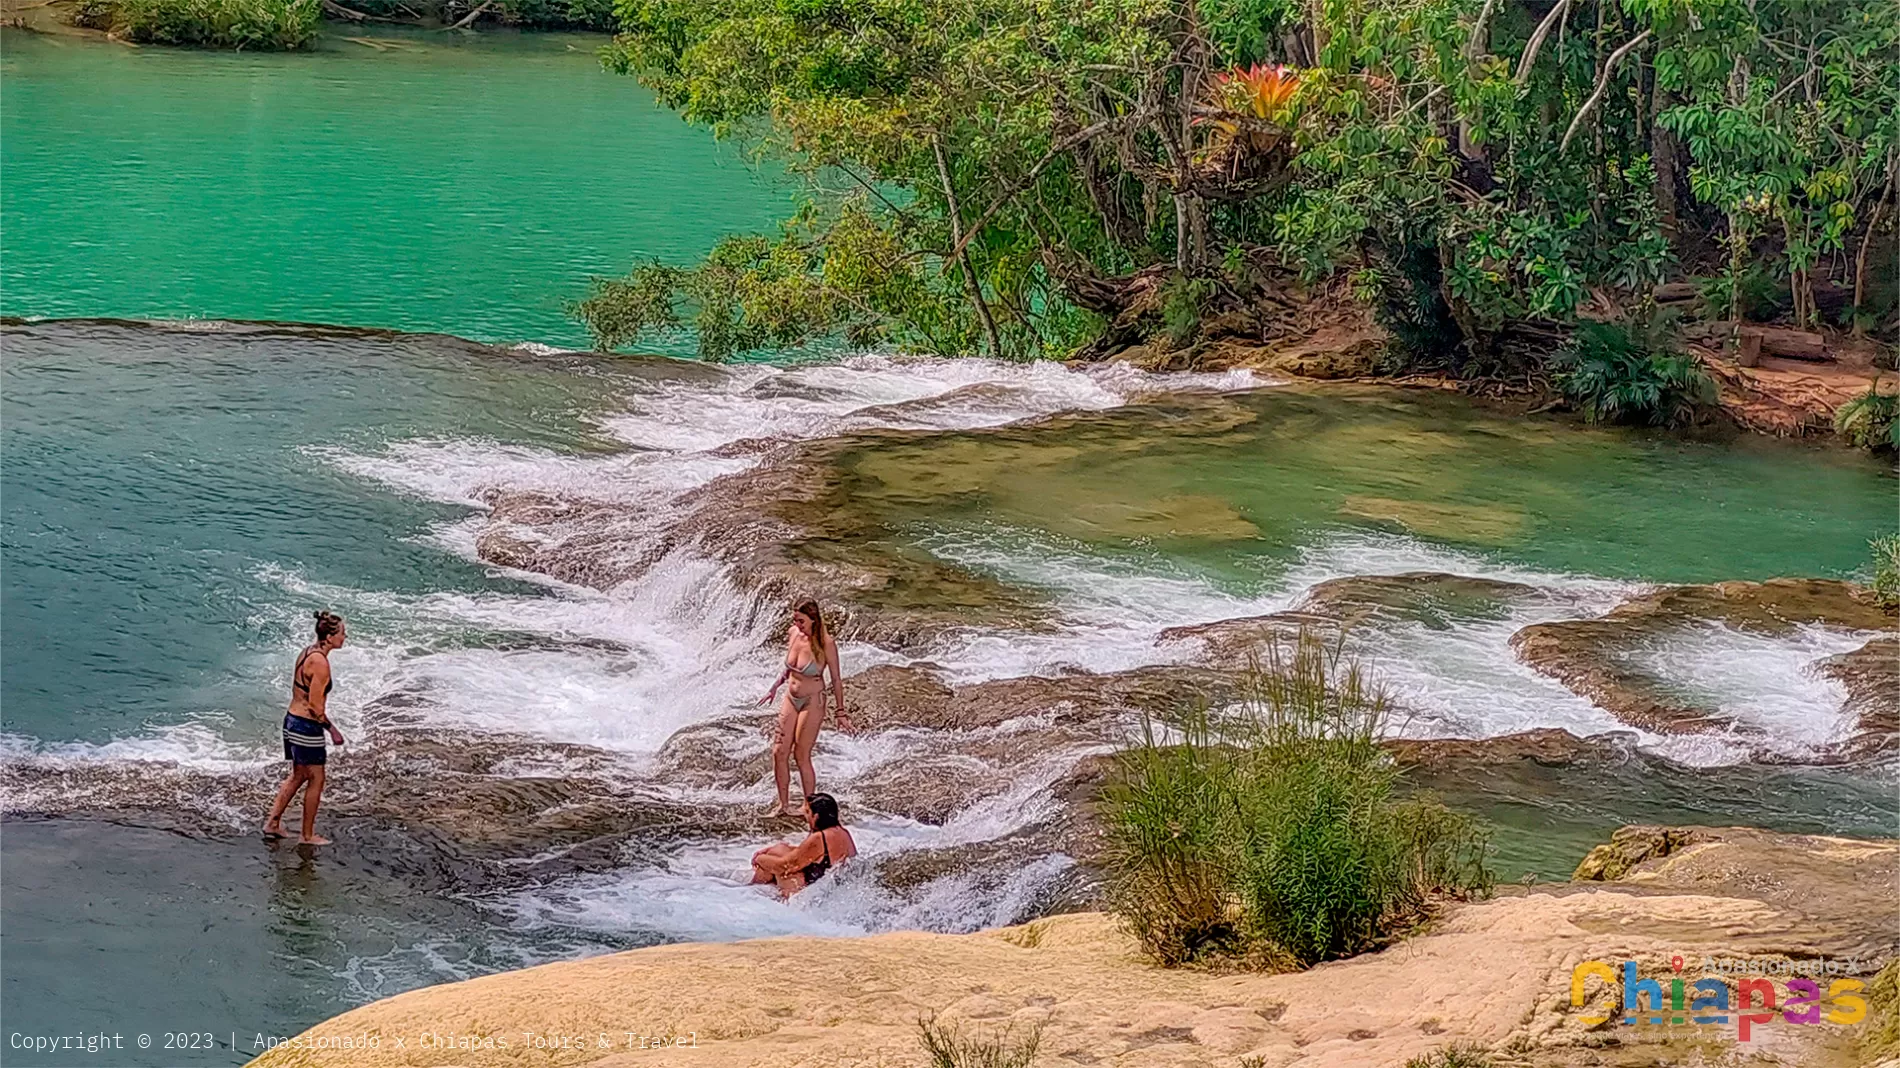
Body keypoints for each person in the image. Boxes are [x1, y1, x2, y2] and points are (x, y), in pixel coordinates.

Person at [758, 599, 853, 817]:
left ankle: (808, 808)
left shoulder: (825, 643)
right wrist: (774, 687)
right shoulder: (793, 634)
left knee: (801, 754)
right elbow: (789, 668)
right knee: (779, 752)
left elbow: (836, 679)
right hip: (791, 697)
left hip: (813, 701)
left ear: (813, 619)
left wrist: (841, 712)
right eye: (795, 620)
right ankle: (783, 805)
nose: (797, 624)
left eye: (801, 621)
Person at [264, 611, 347, 845]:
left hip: (291, 720)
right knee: (317, 779)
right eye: (342, 633)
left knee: (299, 774)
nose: (345, 636)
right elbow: (315, 707)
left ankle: (273, 823)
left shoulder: (307, 652)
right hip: (305, 726)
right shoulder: (320, 662)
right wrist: (332, 730)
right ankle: (307, 835)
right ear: (329, 637)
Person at [749, 793, 856, 897]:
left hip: (813, 896)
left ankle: (750, 891)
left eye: (808, 812)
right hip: (835, 890)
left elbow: (784, 866)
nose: (805, 816)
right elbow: (810, 852)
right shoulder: (842, 832)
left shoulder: (819, 837)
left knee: (777, 861)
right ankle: (753, 890)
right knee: (780, 849)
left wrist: (759, 858)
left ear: (816, 816)